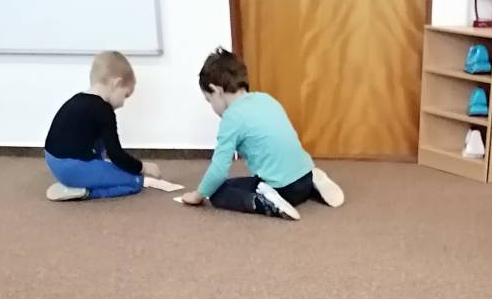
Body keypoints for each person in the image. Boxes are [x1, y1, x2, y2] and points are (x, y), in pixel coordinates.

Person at [180, 48, 345, 221]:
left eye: (209, 100)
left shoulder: (231, 118)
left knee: (218, 192)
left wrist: (198, 195)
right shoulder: (265, 99)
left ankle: (267, 202)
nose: (212, 107)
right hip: (305, 177)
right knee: (286, 175)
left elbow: (218, 170)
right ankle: (313, 183)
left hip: (283, 190)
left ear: (216, 90)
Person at [44, 50, 160, 201]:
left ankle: (79, 180)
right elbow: (116, 154)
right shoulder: (104, 110)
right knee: (136, 180)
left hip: (54, 163)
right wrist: (143, 167)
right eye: (125, 95)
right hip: (72, 168)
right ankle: (84, 191)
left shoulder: (77, 99)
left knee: (98, 139)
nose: (123, 103)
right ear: (116, 84)